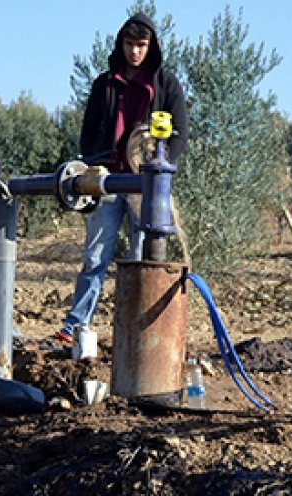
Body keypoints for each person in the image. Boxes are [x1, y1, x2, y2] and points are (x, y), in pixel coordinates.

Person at [56, 12, 189, 344]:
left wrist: (159, 166)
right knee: (94, 256)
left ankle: (134, 328)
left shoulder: (167, 85)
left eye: (141, 45)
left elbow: (181, 134)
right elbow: (88, 131)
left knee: (141, 256)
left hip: (145, 188)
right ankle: (76, 325)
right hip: (105, 182)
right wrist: (91, 161)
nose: (135, 52)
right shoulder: (104, 84)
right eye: (130, 44)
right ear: (121, 44)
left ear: (151, 47)